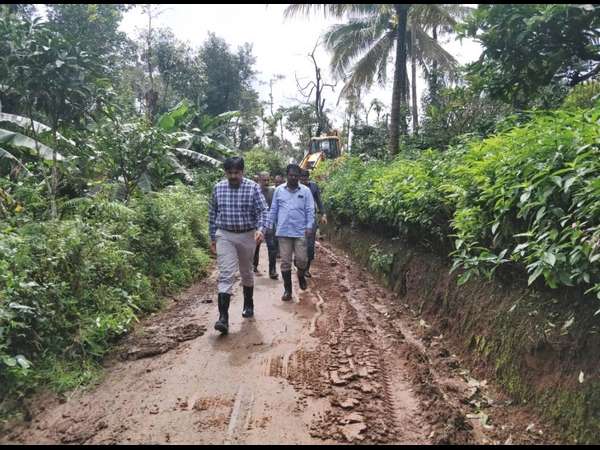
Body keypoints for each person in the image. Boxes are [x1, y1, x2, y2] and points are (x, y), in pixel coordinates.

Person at [208, 156, 269, 334]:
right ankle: (223, 318)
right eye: (230, 173)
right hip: (225, 234)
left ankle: (248, 304)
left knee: (246, 271)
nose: (233, 176)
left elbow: (263, 211)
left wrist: (261, 229)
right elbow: (212, 213)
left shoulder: (253, 187)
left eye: (237, 172)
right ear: (225, 172)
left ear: (242, 172)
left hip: (247, 235)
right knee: (226, 274)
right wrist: (212, 237)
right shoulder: (218, 188)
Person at [268, 164, 315, 301]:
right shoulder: (279, 191)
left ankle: (300, 275)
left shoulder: (305, 191)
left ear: (299, 176)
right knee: (285, 262)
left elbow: (310, 210)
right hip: (283, 231)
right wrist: (269, 225)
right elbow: (274, 209)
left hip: (300, 231)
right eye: (291, 175)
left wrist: (309, 226)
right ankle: (287, 290)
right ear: (286, 175)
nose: (293, 178)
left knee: (302, 260)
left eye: (296, 175)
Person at [300, 169, 327, 278]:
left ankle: (307, 269)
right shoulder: (296, 187)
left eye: (305, 179)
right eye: (302, 179)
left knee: (310, 246)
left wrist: (323, 214)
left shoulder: (314, 187)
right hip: (298, 219)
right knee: (299, 244)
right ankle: (299, 265)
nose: (303, 181)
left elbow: (319, 201)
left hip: (311, 218)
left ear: (308, 178)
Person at [253, 171, 278, 279]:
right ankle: (254, 265)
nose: (267, 182)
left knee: (272, 247)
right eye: (264, 180)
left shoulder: (273, 191)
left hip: (269, 223)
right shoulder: (255, 191)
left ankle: (272, 270)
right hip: (257, 224)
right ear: (259, 180)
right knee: (256, 246)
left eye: (268, 180)